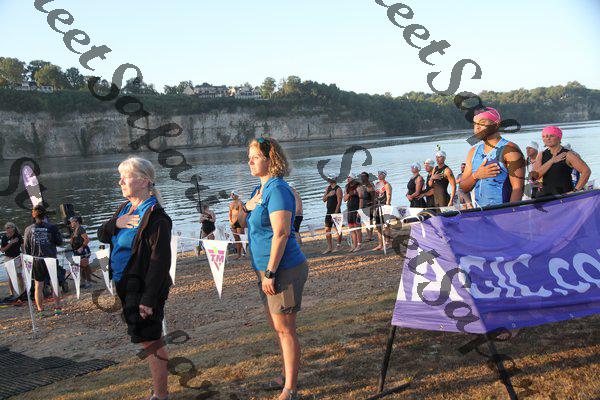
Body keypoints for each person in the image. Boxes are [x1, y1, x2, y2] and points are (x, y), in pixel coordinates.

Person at [238, 137, 308, 400]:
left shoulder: (277, 189)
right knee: (278, 327)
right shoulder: (260, 189)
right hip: (264, 269)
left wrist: (270, 272)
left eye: (255, 156)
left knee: (286, 328)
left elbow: (281, 233)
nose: (250, 161)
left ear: (271, 159)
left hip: (282, 269)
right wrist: (246, 206)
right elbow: (240, 221)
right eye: (249, 157)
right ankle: (285, 375)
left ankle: (290, 389)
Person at [97, 156, 172, 400]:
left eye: (125, 177)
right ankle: (160, 391)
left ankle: (161, 395)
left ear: (144, 181)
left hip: (144, 287)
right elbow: (102, 235)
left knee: (151, 341)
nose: (120, 182)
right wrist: (115, 223)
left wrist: (148, 299)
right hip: (124, 284)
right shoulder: (124, 209)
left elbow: (160, 263)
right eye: (120, 177)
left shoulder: (156, 217)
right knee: (146, 339)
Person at [460, 107, 525, 207]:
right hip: (481, 213)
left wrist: (510, 213)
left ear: (496, 124)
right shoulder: (473, 152)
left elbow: (518, 189)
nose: (477, 127)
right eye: (475, 124)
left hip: (502, 212)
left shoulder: (509, 150)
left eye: (482, 123)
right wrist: (476, 175)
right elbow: (463, 188)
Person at [23, 205, 63, 317]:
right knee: (54, 283)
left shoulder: (28, 229)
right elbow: (60, 242)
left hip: (37, 260)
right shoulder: (52, 227)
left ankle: (40, 311)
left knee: (38, 285)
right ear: (45, 215)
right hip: (51, 259)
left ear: (33, 215)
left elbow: (26, 248)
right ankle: (57, 309)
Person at [533, 126, 591, 196]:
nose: (547, 138)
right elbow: (536, 176)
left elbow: (586, 171)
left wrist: (575, 190)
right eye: (544, 136)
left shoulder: (567, 154)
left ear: (559, 137)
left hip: (565, 197)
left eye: (551, 136)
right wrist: (552, 161)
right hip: (546, 197)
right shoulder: (541, 155)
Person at [1, 222, 24, 302]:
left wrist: (23, 257)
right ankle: (12, 293)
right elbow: (2, 250)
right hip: (8, 258)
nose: (7, 229)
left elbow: (23, 247)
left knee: (19, 275)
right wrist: (11, 243)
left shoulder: (18, 236)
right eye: (6, 228)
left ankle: (22, 292)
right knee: (10, 276)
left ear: (13, 228)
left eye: (9, 227)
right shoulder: (4, 237)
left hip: (17, 257)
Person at [69, 216, 92, 289]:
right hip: (76, 251)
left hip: (83, 250)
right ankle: (83, 282)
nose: (71, 223)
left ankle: (89, 282)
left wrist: (81, 247)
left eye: (72, 222)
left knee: (85, 266)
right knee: (80, 267)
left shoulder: (81, 229)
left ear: (76, 222)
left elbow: (87, 239)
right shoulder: (74, 230)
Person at [322, 173, 343, 254]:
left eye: (330, 178)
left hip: (336, 212)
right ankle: (329, 247)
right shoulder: (328, 188)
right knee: (327, 229)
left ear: (334, 179)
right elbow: (324, 199)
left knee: (338, 229)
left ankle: (338, 245)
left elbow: (339, 203)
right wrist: (328, 195)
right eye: (328, 178)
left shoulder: (338, 189)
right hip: (328, 212)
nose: (328, 180)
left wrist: (335, 214)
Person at [373, 170, 392, 251]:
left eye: (381, 174)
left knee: (386, 226)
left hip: (384, 206)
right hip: (377, 206)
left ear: (384, 175)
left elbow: (389, 195)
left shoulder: (387, 184)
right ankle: (380, 244)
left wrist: (387, 205)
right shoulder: (377, 184)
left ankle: (388, 243)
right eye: (378, 174)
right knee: (378, 226)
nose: (379, 175)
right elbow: (375, 196)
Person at [344, 174, 363, 252]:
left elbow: (361, 198)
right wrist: (349, 194)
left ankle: (359, 245)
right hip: (349, 209)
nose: (347, 179)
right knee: (351, 228)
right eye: (347, 177)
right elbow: (344, 199)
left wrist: (360, 210)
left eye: (349, 177)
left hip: (356, 209)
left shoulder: (358, 186)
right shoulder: (346, 187)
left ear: (353, 178)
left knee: (357, 228)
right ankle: (354, 245)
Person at [359, 172, 375, 242]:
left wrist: (373, 206)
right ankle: (368, 234)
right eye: (361, 176)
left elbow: (373, 196)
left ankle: (370, 236)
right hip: (363, 204)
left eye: (364, 176)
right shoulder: (360, 185)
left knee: (369, 220)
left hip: (369, 204)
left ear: (367, 177)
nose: (362, 178)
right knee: (365, 221)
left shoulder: (370, 184)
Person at [229, 191, 245, 259]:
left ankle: (244, 252)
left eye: (233, 194)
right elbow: (230, 214)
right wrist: (231, 222)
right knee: (236, 239)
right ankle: (239, 254)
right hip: (233, 223)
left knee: (241, 238)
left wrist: (234, 222)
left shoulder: (240, 203)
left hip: (239, 222)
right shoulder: (231, 204)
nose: (232, 196)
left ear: (236, 195)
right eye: (231, 195)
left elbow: (240, 214)